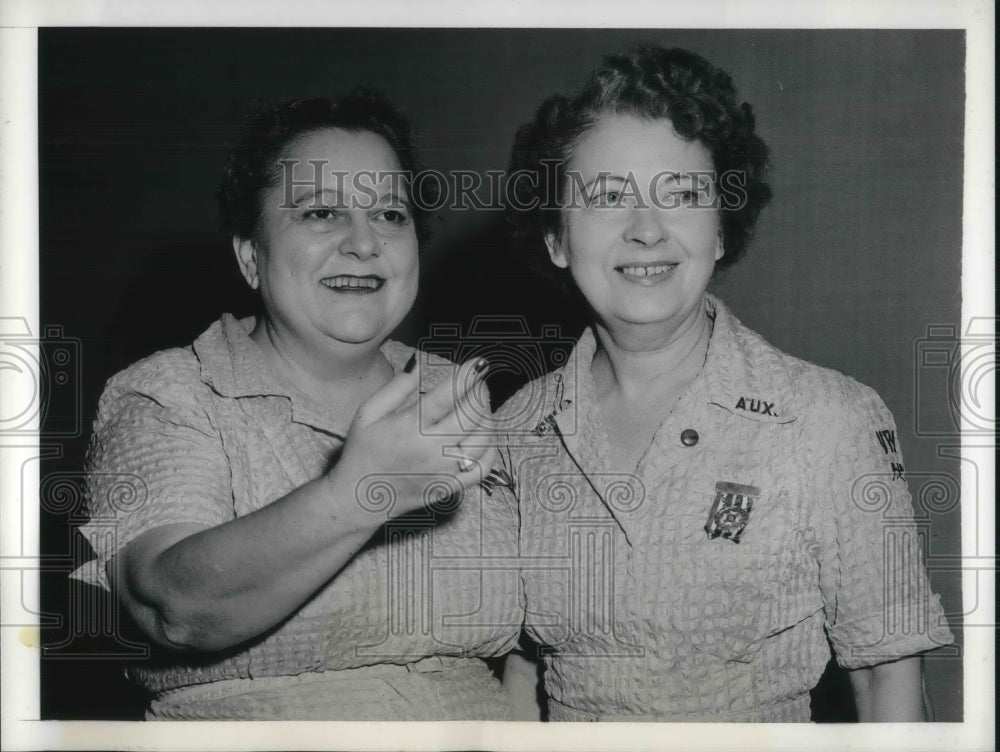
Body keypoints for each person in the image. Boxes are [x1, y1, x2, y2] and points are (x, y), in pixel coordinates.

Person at [495, 46, 954, 722]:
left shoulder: (828, 420)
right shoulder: (514, 432)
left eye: (681, 195)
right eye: (608, 198)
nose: (646, 230)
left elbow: (888, 682)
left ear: (720, 229)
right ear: (557, 239)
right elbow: (519, 675)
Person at [72, 93, 521, 720]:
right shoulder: (170, 394)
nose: (364, 243)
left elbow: (534, 641)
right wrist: (358, 492)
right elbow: (173, 610)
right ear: (251, 256)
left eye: (390, 214)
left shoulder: (458, 392)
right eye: (321, 214)